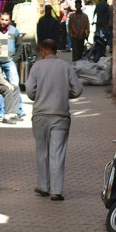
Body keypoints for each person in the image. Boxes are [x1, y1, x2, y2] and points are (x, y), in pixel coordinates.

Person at [25, 38, 83, 200]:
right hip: (60, 116)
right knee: (57, 153)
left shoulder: (37, 66)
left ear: (43, 50)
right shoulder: (66, 66)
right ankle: (56, 191)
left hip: (40, 115)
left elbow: (29, 91)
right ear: (55, 50)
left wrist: (39, 95)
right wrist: (65, 94)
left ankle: (43, 186)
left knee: (42, 151)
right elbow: (78, 90)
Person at [0, 12, 23, 118]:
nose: (4, 22)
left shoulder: (14, 31)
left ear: (9, 20)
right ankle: (2, 111)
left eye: (6, 20)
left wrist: (14, 60)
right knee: (2, 86)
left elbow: (19, 47)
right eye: (2, 19)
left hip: (9, 61)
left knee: (14, 85)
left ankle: (18, 110)